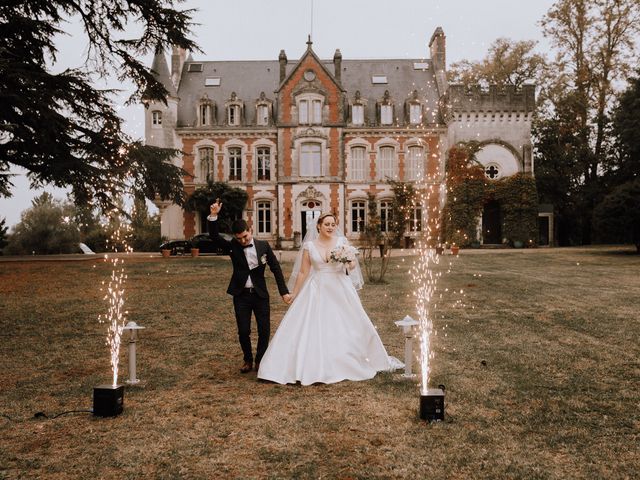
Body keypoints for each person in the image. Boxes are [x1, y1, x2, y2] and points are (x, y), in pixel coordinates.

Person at [258, 212, 401, 385]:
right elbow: (303, 272)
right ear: (318, 225)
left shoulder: (342, 243)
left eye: (333, 224)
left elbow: (353, 264)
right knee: (313, 325)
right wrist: (294, 292)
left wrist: (350, 261)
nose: (330, 227)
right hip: (316, 288)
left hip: (340, 288)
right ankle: (307, 365)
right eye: (327, 224)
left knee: (349, 323)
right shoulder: (309, 246)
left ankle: (349, 358)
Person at [208, 200, 291, 373]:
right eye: (239, 239)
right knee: (243, 330)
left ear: (250, 230)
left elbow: (275, 269)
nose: (243, 241)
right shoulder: (233, 246)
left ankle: (261, 360)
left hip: (260, 295)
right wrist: (214, 216)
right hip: (241, 295)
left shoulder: (263, 246)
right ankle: (247, 359)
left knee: (264, 330)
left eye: (245, 237)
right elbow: (215, 237)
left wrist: (284, 292)